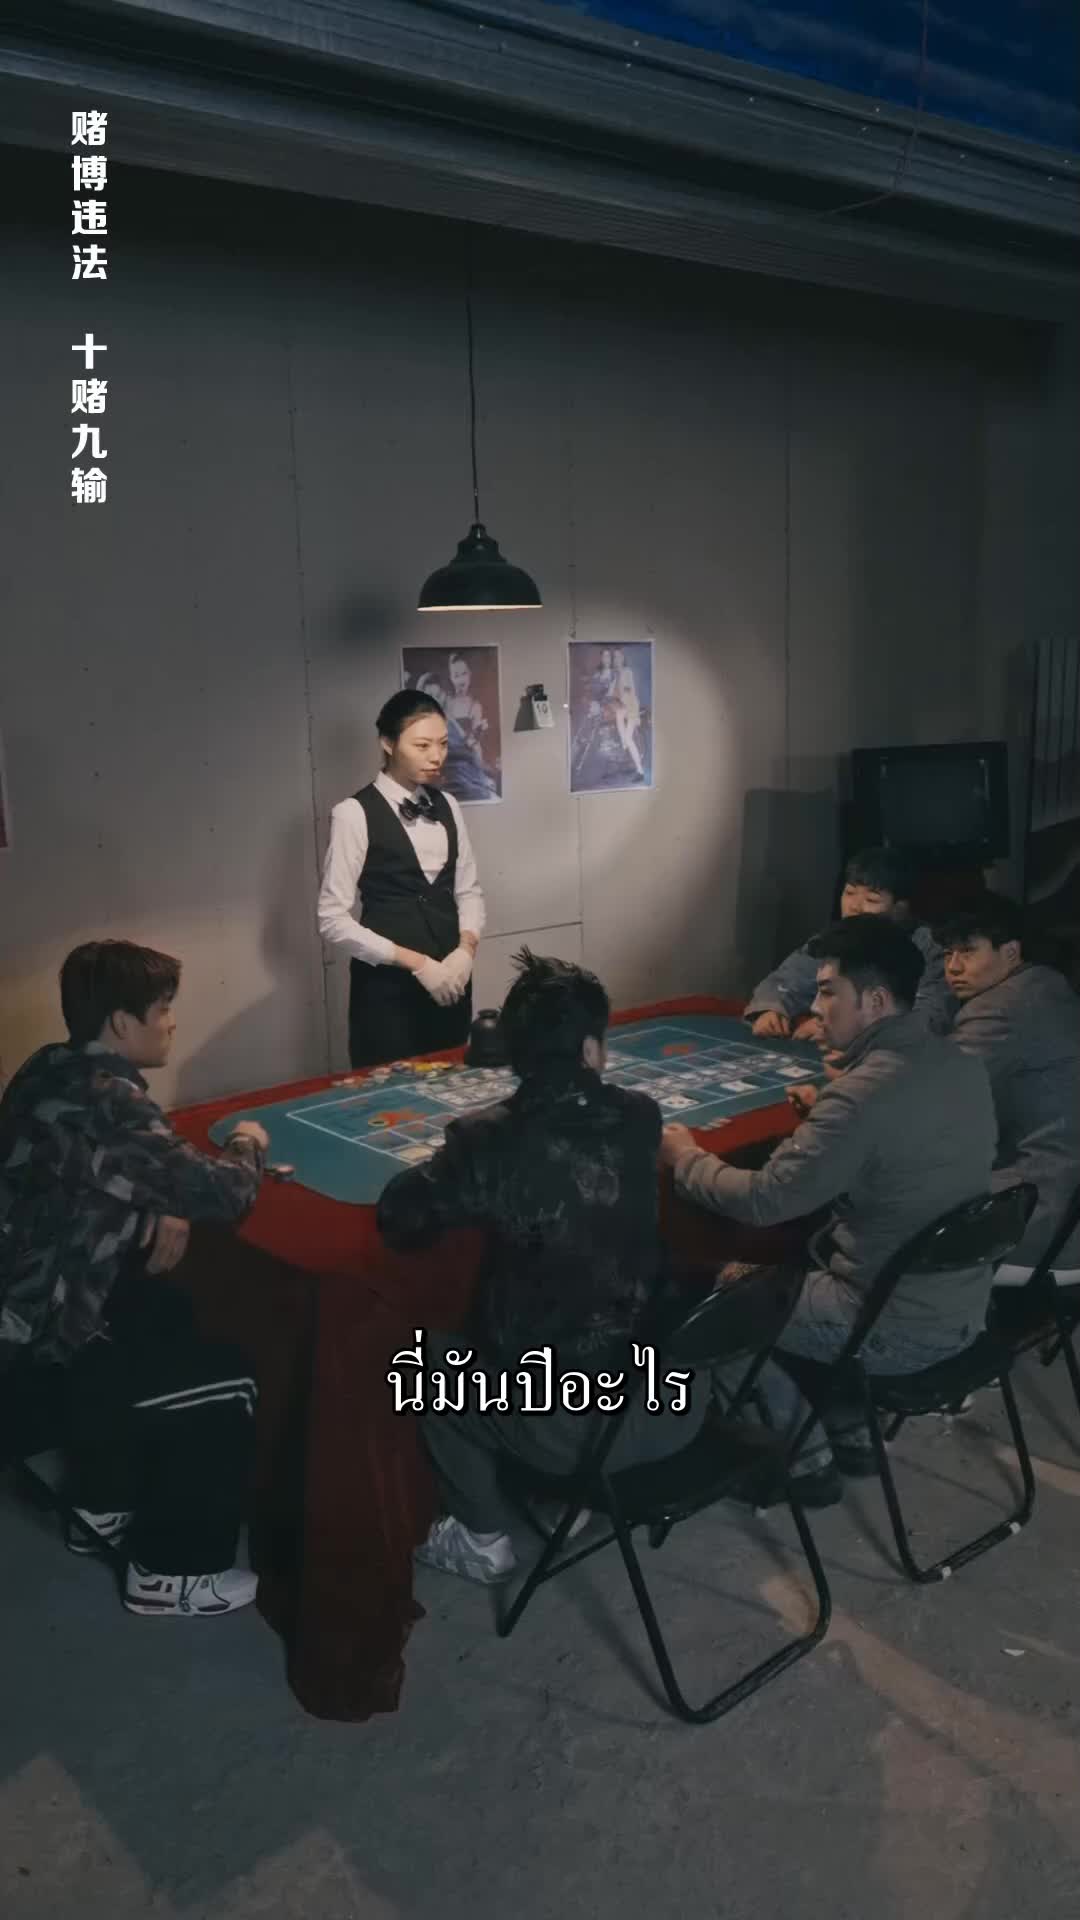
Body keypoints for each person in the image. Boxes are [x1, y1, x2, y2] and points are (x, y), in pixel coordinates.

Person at [376, 950, 705, 1583]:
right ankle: (565, 1501)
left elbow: (401, 1219)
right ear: (592, 1049)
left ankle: (481, 1536)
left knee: (426, 1357)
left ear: (514, 1054)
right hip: (674, 1402)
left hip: (569, 1430)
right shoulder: (642, 1114)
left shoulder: (485, 1136)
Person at [661, 916, 997, 1503]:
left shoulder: (862, 1094)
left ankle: (805, 1458)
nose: (816, 1009)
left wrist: (685, 1158)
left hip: (887, 1324)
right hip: (964, 1305)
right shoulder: (959, 1062)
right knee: (796, 1259)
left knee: (706, 1298)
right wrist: (828, 1120)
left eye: (827, 992)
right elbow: (899, 1145)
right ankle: (851, 1427)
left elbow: (763, 1200)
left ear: (875, 1001)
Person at [0, 941, 270, 1616]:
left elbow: (102, 1170)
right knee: (230, 1376)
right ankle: (173, 1574)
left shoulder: (48, 1067)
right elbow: (224, 1193)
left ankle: (102, 1505)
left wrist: (159, 1202)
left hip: (23, 1298)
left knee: (169, 1309)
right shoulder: (112, 1100)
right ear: (122, 1023)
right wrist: (248, 1143)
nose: (172, 1022)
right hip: (49, 1329)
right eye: (163, 1009)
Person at [317, 689, 486, 1068]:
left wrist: (465, 951)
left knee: (455, 1086)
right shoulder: (353, 813)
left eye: (443, 744)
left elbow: (469, 891)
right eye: (422, 745)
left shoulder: (448, 805)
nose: (436, 756)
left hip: (451, 984)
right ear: (388, 743)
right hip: (386, 994)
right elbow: (332, 919)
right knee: (391, 1094)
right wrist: (419, 964)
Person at [940, 894, 1080, 1285]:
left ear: (1011, 952)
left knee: (885, 1209)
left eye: (968, 952)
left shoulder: (1000, 1008)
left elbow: (930, 1099)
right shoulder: (1048, 985)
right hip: (1069, 1206)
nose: (953, 967)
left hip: (1037, 1218)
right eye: (948, 953)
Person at [745, 846, 950, 1040]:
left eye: (871, 900)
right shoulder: (835, 939)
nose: (854, 907)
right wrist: (772, 1009)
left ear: (900, 909)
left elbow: (929, 1014)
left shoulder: (930, 946)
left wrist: (843, 1026)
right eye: (849, 893)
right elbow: (788, 979)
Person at [611, 646, 645, 781]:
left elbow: (629, 690)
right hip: (624, 706)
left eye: (619, 656)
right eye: (615, 657)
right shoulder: (617, 675)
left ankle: (640, 771)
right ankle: (624, 744)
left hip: (631, 706)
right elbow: (613, 692)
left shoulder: (627, 671)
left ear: (623, 658)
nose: (617, 659)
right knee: (618, 714)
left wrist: (621, 698)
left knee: (628, 738)